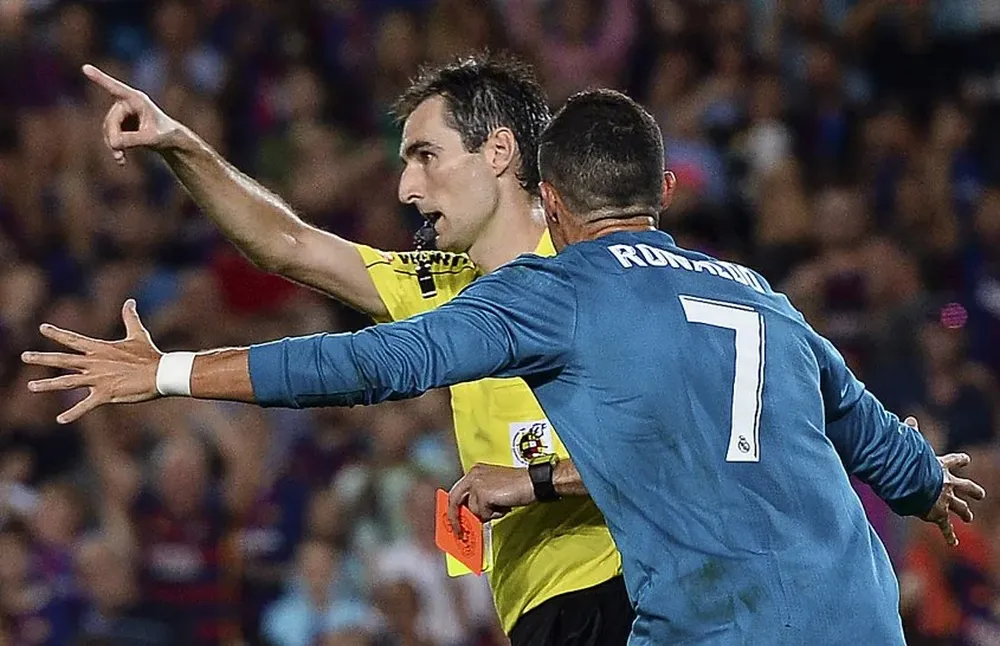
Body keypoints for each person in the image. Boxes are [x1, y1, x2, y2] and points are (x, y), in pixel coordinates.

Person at [23, 89, 987, 644]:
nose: (404, 185)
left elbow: (370, 366)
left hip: (660, 603)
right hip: (849, 609)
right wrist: (920, 481)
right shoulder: (750, 291)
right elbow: (850, 422)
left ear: (523, 171)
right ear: (655, 188)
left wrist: (172, 374)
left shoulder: (558, 289)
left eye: (424, 155)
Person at [74, 53, 632, 644]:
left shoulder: (595, 271)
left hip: (624, 587)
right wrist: (179, 143)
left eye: (426, 156)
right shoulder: (436, 284)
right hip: (537, 609)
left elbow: (676, 443)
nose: (406, 188)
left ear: (497, 152)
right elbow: (287, 243)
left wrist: (531, 481)